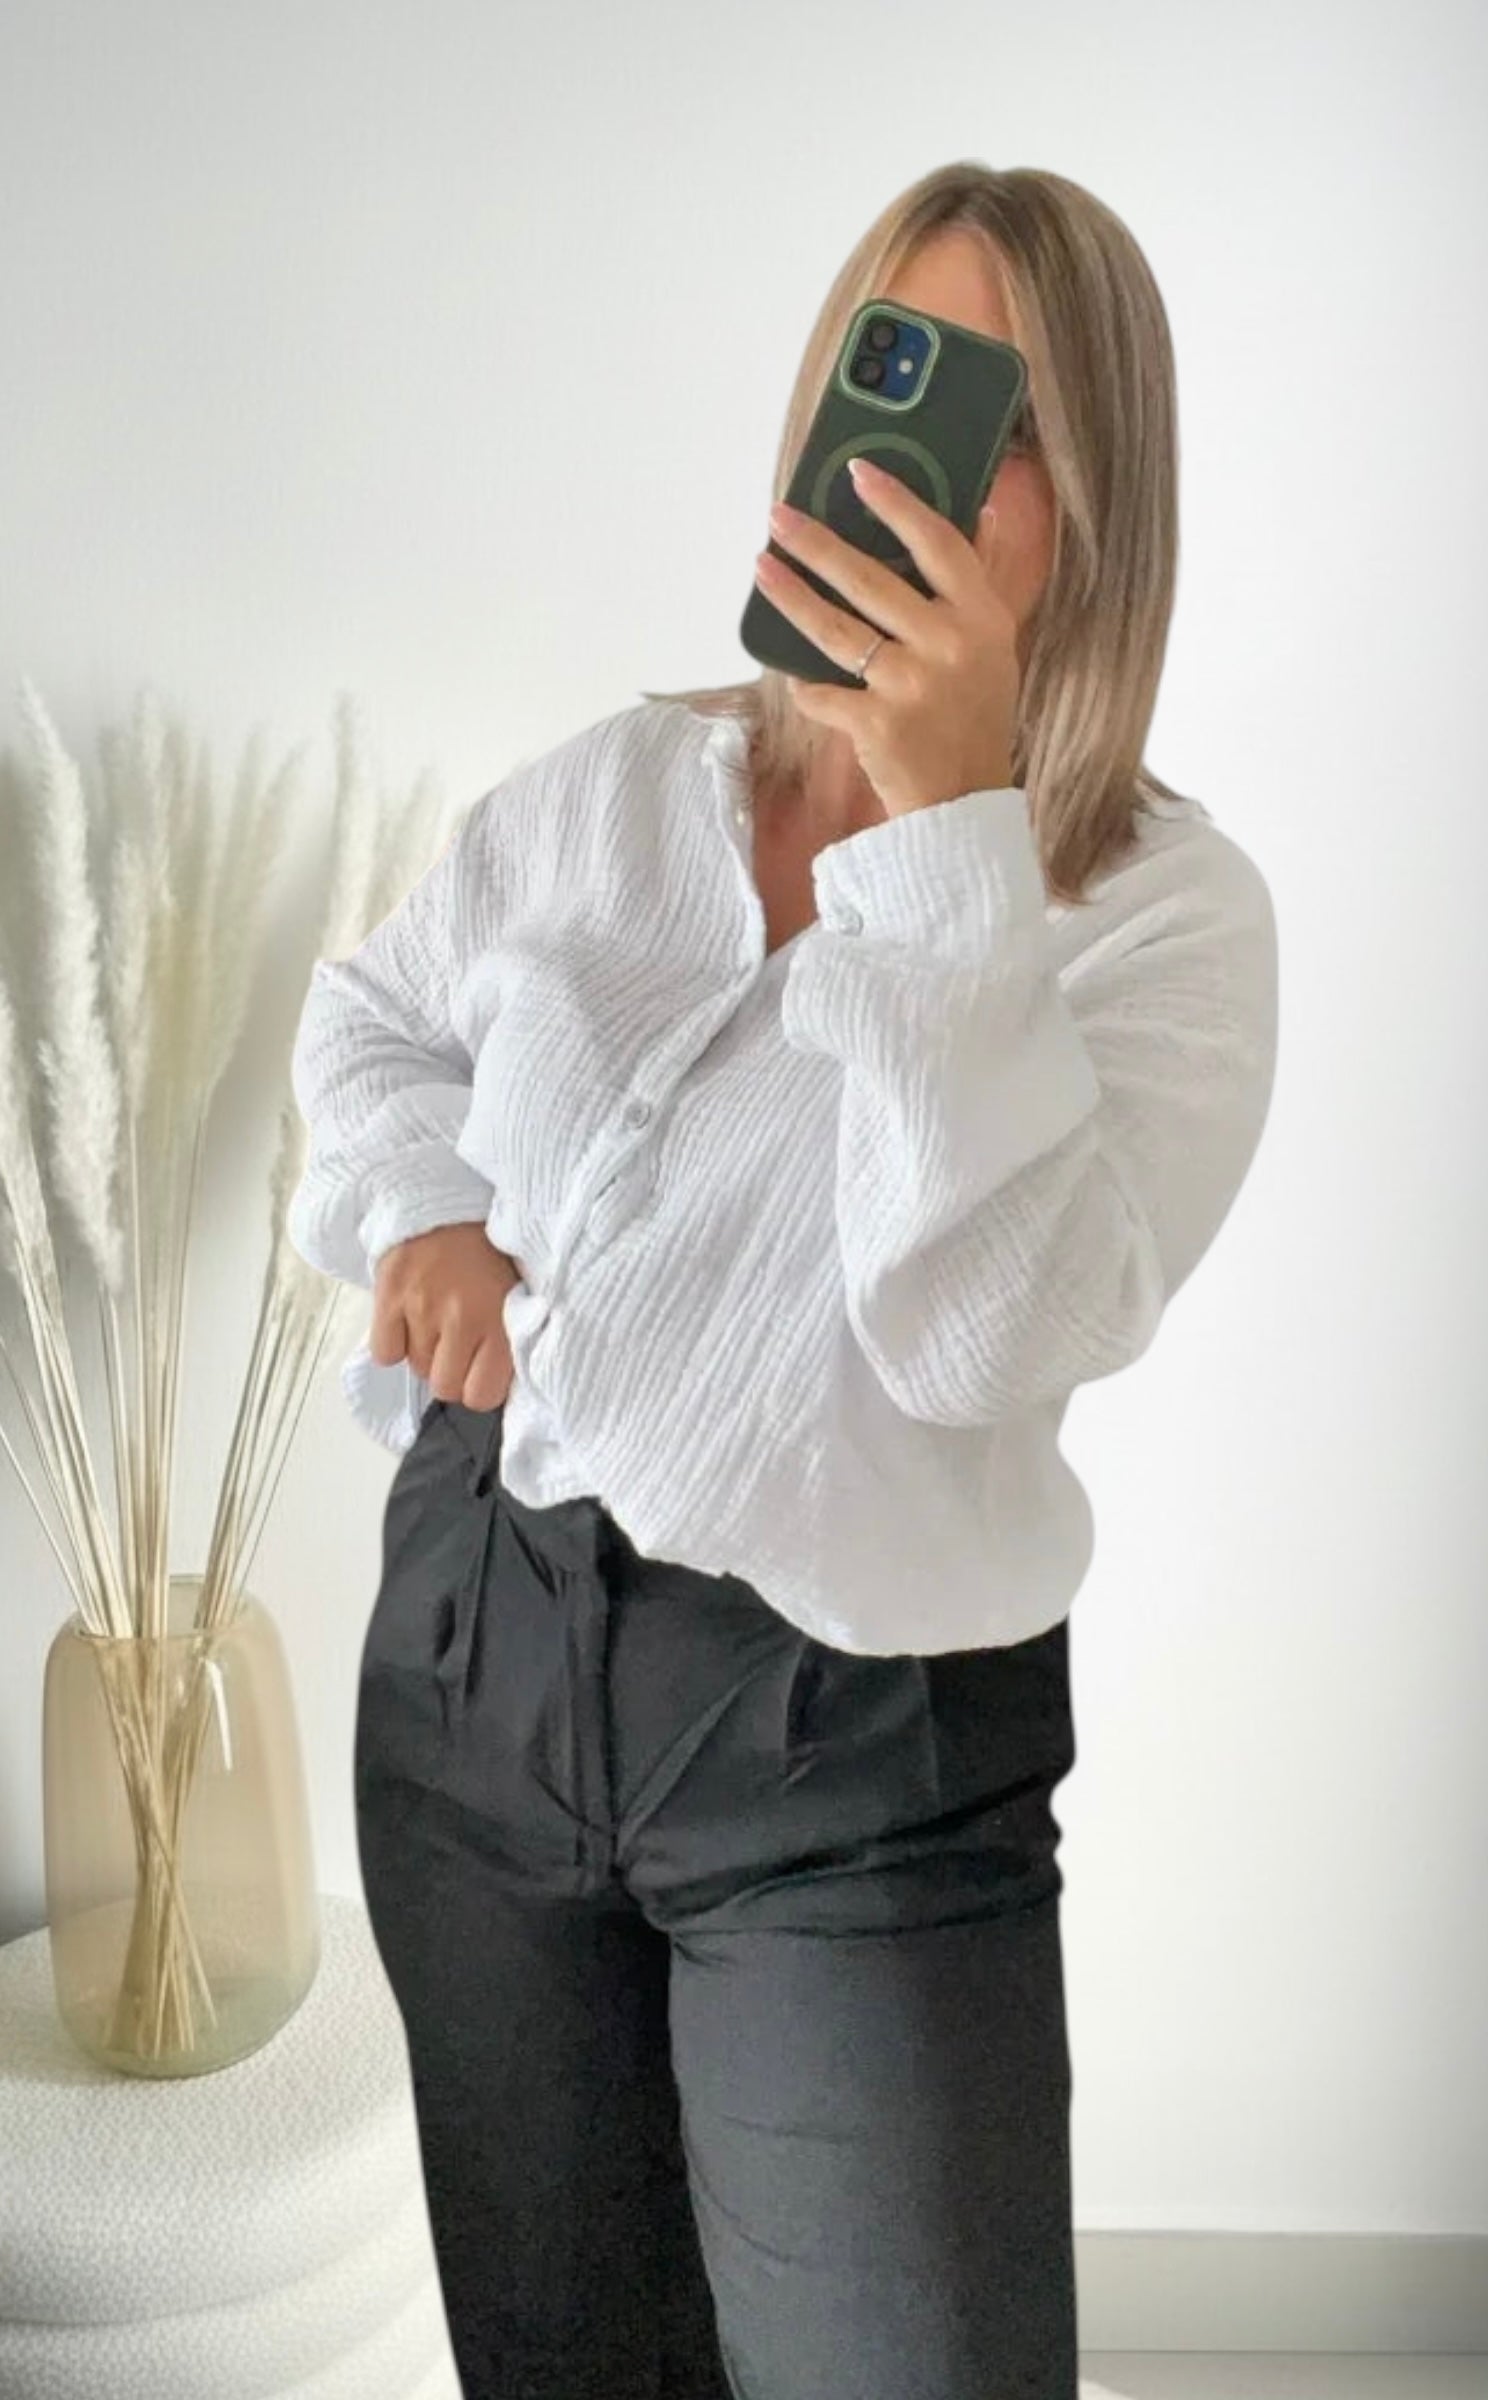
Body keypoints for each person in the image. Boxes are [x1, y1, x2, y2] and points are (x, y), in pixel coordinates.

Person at [288, 160, 1276, 2400]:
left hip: (853, 1761)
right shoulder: (621, 787)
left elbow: (983, 1335)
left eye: (991, 421)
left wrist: (946, 845)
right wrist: (426, 1208)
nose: (907, 459)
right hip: (475, 1657)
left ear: (1093, 507)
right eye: (879, 374)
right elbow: (374, 1020)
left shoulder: (1165, 923)